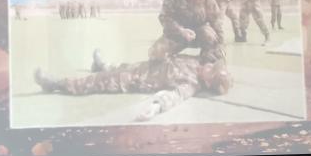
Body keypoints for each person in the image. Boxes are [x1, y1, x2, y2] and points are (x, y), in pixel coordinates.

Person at [34, 53, 233, 121]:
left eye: (212, 70)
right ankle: (101, 65)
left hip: (136, 79)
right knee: (119, 67)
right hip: (142, 66)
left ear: (208, 82)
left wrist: (155, 107)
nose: (210, 65)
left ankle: (56, 84)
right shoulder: (197, 62)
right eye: (212, 66)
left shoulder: (192, 84)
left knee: (98, 81)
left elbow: (175, 96)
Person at [148, 0, 225, 64]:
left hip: (200, 36)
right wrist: (181, 31)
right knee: (155, 53)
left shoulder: (209, 1)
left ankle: (201, 63)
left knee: (212, 43)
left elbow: (218, 29)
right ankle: (182, 64)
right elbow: (164, 17)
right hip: (177, 35)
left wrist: (221, 51)